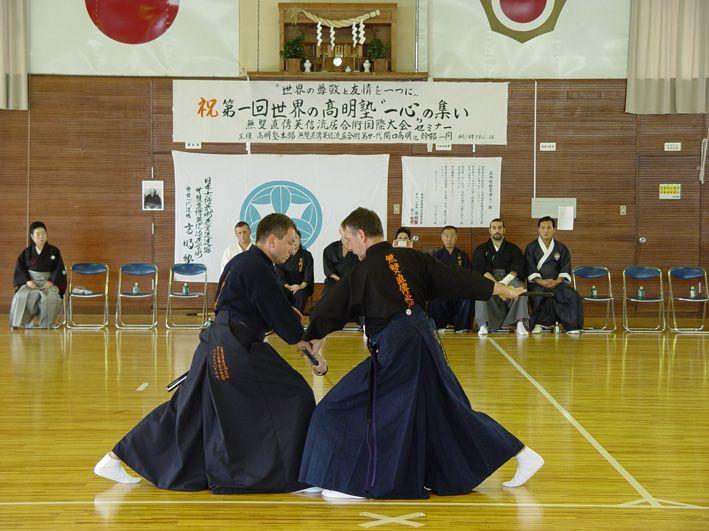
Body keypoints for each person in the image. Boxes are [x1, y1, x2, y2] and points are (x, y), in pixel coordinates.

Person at [298, 207, 544, 500]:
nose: (347, 247)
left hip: (401, 348)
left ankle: (361, 481)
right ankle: (522, 453)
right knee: (447, 410)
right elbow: (456, 278)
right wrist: (500, 289)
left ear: (361, 235)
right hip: (418, 340)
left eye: (347, 239)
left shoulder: (362, 272)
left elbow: (331, 308)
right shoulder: (412, 259)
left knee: (365, 409)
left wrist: (311, 336)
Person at [94, 213, 326, 493]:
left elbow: (261, 306)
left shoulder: (245, 263)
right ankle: (293, 476)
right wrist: (301, 338)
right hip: (234, 349)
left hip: (218, 343)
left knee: (187, 408)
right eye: (290, 242)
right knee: (295, 393)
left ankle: (114, 457)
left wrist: (294, 330)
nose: (293, 249)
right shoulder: (258, 268)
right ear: (272, 239)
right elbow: (281, 318)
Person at [524, 216, 584, 334]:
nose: (545, 230)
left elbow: (565, 267)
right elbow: (529, 266)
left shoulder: (561, 248)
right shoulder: (531, 248)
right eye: (543, 228)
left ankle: (572, 326)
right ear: (538, 229)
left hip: (557, 283)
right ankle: (539, 324)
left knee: (572, 295)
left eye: (549, 228)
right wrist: (541, 281)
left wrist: (557, 281)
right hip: (538, 283)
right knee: (540, 295)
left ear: (554, 230)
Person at [472, 219, 530, 336]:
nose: (497, 230)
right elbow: (482, 271)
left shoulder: (513, 248)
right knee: (480, 290)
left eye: (499, 227)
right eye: (494, 228)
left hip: (509, 278)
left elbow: (516, 269)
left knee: (520, 289)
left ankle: (520, 323)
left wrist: (503, 284)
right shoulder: (481, 249)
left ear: (504, 230)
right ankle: (483, 324)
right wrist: (499, 289)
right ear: (489, 230)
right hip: (489, 278)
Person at [10, 221, 66, 329]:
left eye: (44, 233)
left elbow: (59, 268)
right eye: (38, 234)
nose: (41, 237)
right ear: (32, 236)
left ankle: (47, 323)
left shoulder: (54, 251)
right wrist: (27, 281)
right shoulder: (27, 252)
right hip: (32, 282)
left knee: (51, 298)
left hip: (48, 282)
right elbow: (20, 268)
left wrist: (51, 281)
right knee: (20, 296)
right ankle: (21, 322)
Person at [428, 226, 473, 333]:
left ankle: (462, 327)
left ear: (456, 238)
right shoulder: (436, 255)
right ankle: (439, 326)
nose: (449, 239)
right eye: (446, 236)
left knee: (469, 298)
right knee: (435, 297)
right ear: (442, 237)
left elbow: (469, 275)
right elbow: (431, 275)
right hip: (442, 290)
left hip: (459, 290)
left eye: (452, 236)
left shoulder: (462, 255)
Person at [276, 229, 314, 313]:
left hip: (303, 286)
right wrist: (288, 287)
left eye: (296, 237)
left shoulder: (307, 255)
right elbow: (279, 274)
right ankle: (283, 317)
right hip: (286, 286)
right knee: (280, 292)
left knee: (301, 294)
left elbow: (308, 275)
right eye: (291, 238)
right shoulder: (282, 253)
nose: (294, 241)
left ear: (300, 239)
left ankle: (296, 317)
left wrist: (300, 286)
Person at [321, 227, 359, 298]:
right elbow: (328, 270)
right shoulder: (330, 248)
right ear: (340, 231)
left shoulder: (356, 248)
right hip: (334, 280)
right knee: (328, 289)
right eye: (343, 231)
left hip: (351, 280)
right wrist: (339, 280)